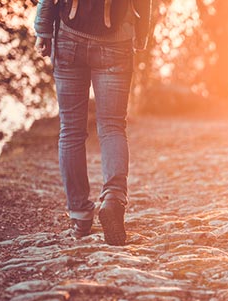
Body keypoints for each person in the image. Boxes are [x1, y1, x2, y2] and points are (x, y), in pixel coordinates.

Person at [34, 0, 151, 245]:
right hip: (117, 39)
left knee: (71, 130)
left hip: (68, 35)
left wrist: (42, 30)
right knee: (112, 127)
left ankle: (80, 214)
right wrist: (142, 32)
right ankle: (113, 198)